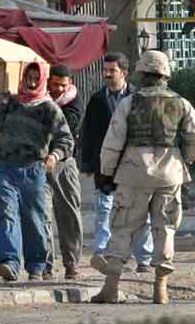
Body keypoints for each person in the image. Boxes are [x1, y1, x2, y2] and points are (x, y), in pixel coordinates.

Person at [91, 50, 195, 304]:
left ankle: (111, 287)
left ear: (142, 73)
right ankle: (160, 287)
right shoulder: (182, 104)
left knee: (123, 227)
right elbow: (191, 142)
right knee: (165, 228)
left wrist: (106, 171)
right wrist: (186, 161)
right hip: (169, 174)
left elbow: (113, 141)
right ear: (165, 74)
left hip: (133, 173)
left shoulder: (129, 102)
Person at [0, 61, 74, 281]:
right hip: (6, 167)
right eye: (29, 77)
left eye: (37, 78)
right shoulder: (12, 102)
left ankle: (36, 266)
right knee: (7, 215)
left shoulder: (48, 107)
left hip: (33, 169)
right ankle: (9, 263)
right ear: (23, 77)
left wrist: (54, 156)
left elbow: (65, 138)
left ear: (43, 79)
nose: (32, 82)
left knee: (34, 218)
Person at [81, 52, 153, 273]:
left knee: (141, 210)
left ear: (124, 73)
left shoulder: (138, 97)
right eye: (105, 70)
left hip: (133, 164)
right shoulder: (97, 100)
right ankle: (103, 254)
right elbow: (89, 133)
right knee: (104, 208)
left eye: (112, 70)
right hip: (105, 164)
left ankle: (144, 259)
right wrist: (86, 164)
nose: (107, 74)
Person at [43, 65, 84, 280]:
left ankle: (71, 263)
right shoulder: (36, 100)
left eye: (62, 85)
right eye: (55, 84)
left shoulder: (73, 102)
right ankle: (45, 265)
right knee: (43, 216)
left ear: (69, 84)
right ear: (48, 82)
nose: (58, 89)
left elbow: (66, 127)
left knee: (69, 215)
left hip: (64, 164)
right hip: (40, 164)